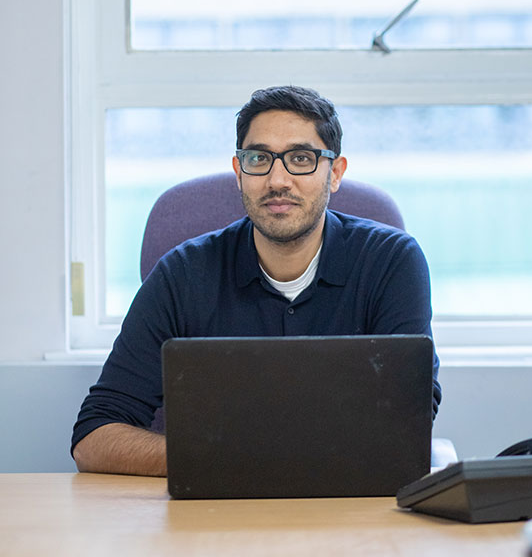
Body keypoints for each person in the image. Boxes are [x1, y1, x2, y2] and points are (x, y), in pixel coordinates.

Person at [72, 85, 441, 476]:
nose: (277, 179)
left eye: (301, 158)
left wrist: (257, 457)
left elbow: (408, 418)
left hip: (346, 507)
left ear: (334, 173)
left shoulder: (391, 262)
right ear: (239, 172)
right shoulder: (182, 274)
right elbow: (93, 437)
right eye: (258, 158)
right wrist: (233, 460)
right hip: (215, 514)